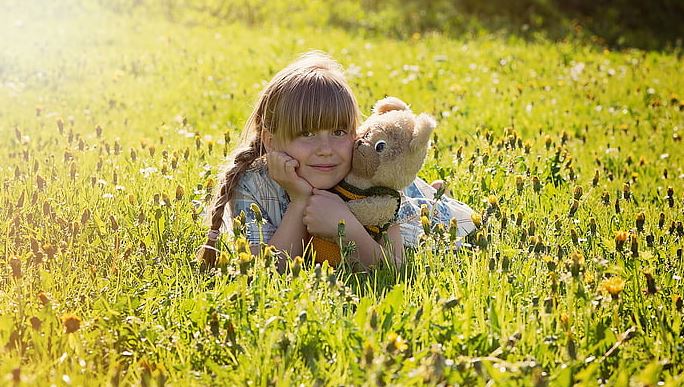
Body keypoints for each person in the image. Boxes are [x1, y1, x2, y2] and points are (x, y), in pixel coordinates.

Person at [197, 51, 476, 272]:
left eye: (339, 132)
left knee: (441, 216)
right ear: (271, 141)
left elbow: (393, 266)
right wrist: (299, 201)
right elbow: (266, 269)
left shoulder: (367, 173)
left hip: (415, 222)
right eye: (306, 134)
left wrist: (347, 228)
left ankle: (437, 195)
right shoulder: (253, 184)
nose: (326, 150)